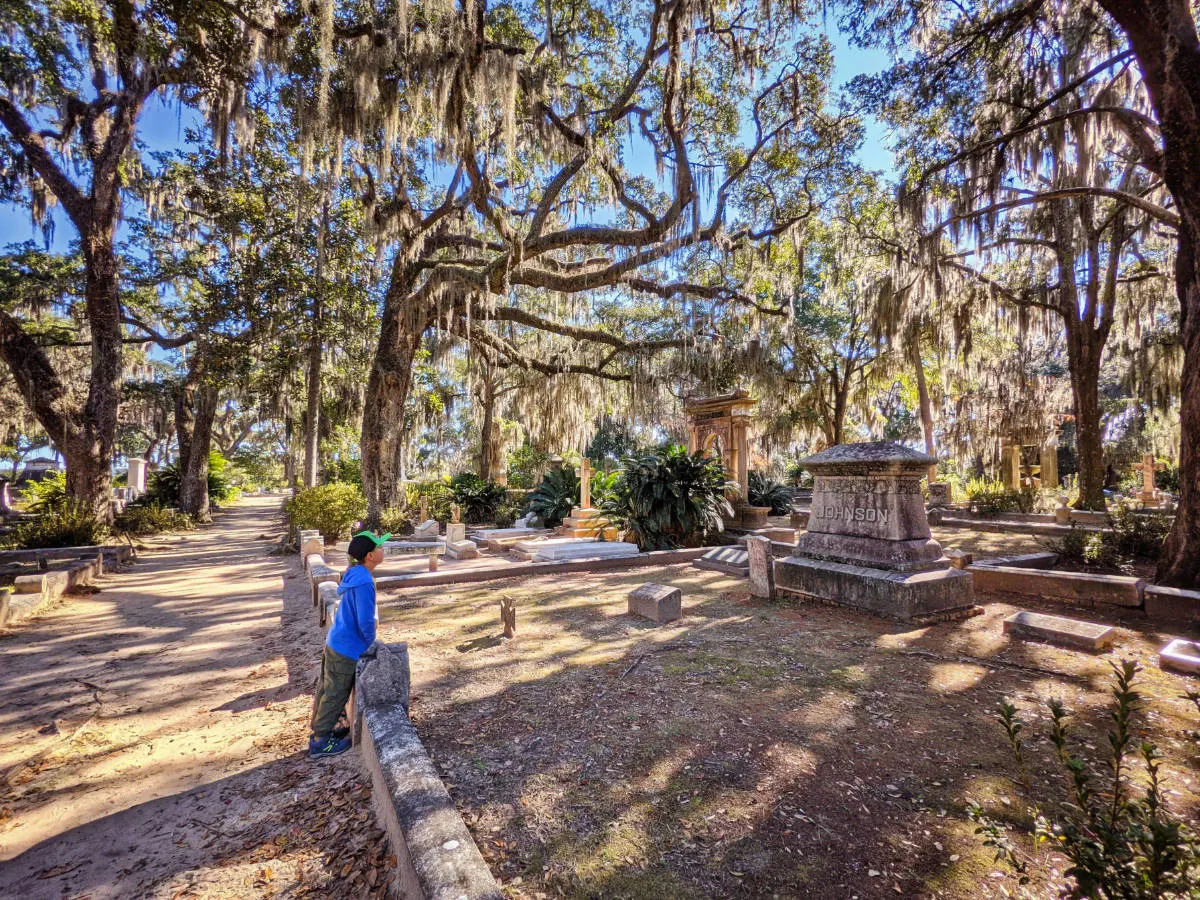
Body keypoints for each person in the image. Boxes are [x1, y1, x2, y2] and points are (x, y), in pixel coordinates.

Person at [308, 529, 390, 758]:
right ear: (370, 556)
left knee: (326, 688)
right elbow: (365, 620)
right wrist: (372, 645)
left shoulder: (355, 573)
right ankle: (320, 742)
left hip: (337, 640)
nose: (383, 550)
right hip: (347, 648)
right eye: (380, 548)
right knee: (335, 693)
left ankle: (320, 730)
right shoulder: (364, 581)